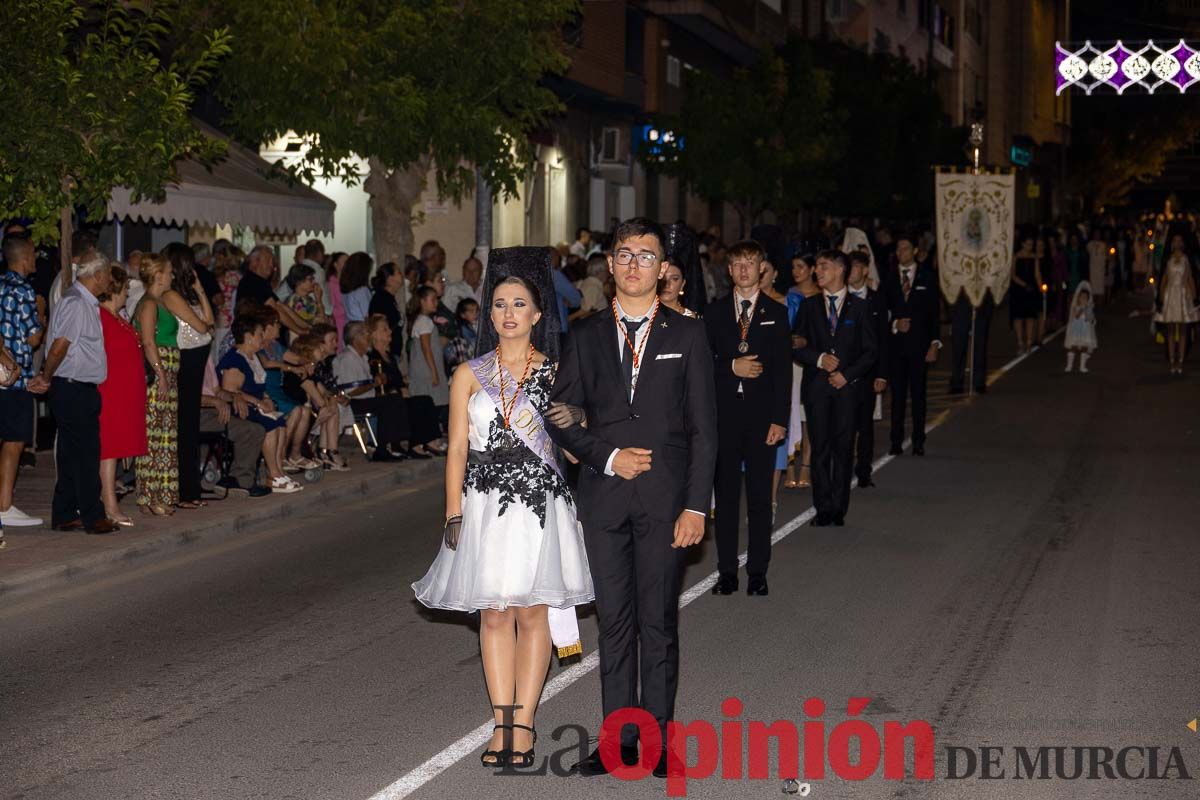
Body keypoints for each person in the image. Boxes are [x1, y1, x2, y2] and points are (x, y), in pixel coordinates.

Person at [547, 218, 717, 778]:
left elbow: (704, 429)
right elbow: (561, 416)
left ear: (663, 268)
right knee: (615, 624)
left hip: (668, 504)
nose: (634, 265)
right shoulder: (586, 333)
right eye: (624, 255)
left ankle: (661, 743)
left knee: (658, 624)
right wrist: (606, 456)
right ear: (610, 264)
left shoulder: (687, 334)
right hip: (603, 499)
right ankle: (617, 743)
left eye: (645, 256)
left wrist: (697, 506)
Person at [414, 262, 593, 769]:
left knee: (532, 612)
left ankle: (526, 722)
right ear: (489, 315)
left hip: (540, 504)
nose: (509, 312)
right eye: (499, 304)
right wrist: (454, 513)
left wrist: (578, 419)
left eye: (519, 304)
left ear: (538, 314)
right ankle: (501, 722)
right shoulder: (469, 375)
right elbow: (454, 451)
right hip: (486, 504)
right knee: (493, 615)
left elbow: (577, 450)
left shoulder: (557, 374)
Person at [704, 240, 790, 597]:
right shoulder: (713, 312)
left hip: (761, 418)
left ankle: (757, 572)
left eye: (750, 263)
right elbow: (701, 365)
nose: (743, 269)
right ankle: (726, 573)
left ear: (762, 269)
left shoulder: (776, 311)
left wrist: (779, 420)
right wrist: (731, 367)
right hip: (723, 417)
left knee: (758, 499)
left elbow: (783, 371)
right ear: (729, 269)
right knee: (725, 500)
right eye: (737, 263)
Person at [28, 252, 119, 534]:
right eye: (107, 274)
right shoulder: (77, 303)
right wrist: (45, 376)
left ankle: (65, 513)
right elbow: (59, 345)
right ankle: (93, 516)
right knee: (86, 453)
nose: (110, 280)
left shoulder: (83, 303)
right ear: (98, 275)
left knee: (70, 454)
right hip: (73, 388)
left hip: (75, 387)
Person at [792, 250, 878, 527]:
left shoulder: (860, 308)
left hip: (847, 389)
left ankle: (839, 508)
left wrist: (847, 375)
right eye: (816, 266)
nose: (817, 271)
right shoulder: (810, 306)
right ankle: (823, 507)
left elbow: (870, 351)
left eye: (823, 266)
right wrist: (818, 359)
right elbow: (796, 344)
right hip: (817, 388)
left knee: (842, 448)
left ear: (840, 270)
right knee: (820, 449)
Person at [218, 312, 302, 493]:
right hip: (238, 408)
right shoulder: (234, 359)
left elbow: (258, 388)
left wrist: (265, 399)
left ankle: (278, 472)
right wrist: (258, 402)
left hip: (254, 405)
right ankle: (273, 474)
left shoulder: (252, 358)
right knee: (270, 424)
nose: (262, 338)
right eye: (259, 334)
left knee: (280, 423)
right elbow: (230, 392)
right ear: (248, 337)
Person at [164, 242, 216, 511]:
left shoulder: (189, 295)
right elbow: (201, 325)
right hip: (185, 361)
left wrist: (200, 289)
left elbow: (211, 324)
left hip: (196, 359)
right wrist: (206, 326)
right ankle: (185, 491)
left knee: (189, 426)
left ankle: (190, 488)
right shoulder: (170, 294)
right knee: (184, 427)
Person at [0, 235, 45, 527]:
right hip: (15, 378)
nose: (35, 261)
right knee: (15, 441)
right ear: (24, 257)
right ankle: (4, 505)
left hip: (1, 373)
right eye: (32, 255)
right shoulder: (24, 291)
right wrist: (40, 312)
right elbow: (34, 337)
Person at [881, 234, 940, 457]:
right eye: (898, 249)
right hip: (896, 346)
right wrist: (895, 323)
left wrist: (934, 344)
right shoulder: (889, 278)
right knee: (897, 396)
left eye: (905, 248)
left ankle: (918, 440)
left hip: (919, 346)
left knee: (918, 395)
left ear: (915, 250)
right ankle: (896, 440)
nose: (900, 253)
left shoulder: (927, 276)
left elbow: (934, 313)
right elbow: (881, 313)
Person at [96, 267, 147, 526]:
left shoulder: (117, 316)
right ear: (115, 288)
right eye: (126, 287)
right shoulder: (100, 316)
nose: (128, 292)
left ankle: (108, 501)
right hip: (110, 390)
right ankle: (110, 505)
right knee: (109, 449)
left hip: (124, 391)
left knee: (114, 449)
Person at [133, 255, 182, 517]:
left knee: (164, 438)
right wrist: (161, 374)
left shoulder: (159, 302)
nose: (172, 277)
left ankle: (162, 494)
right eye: (169, 272)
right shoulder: (150, 304)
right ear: (158, 275)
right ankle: (149, 496)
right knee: (153, 437)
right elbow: (148, 342)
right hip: (156, 378)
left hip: (166, 377)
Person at [334, 319, 415, 463]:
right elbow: (350, 391)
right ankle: (384, 449)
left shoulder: (362, 357)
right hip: (352, 402)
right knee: (390, 402)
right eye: (365, 334)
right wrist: (374, 383)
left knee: (394, 400)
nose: (369, 337)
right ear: (356, 338)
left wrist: (376, 382)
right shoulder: (347, 358)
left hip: (364, 399)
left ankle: (391, 445)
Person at [364, 316, 442, 458]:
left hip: (399, 395)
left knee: (425, 400)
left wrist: (403, 384)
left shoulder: (389, 356)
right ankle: (414, 445)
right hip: (387, 398)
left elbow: (398, 379)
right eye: (384, 329)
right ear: (373, 334)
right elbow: (380, 381)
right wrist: (399, 388)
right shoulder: (372, 358)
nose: (389, 332)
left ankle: (429, 442)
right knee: (415, 404)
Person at [200, 354, 271, 497]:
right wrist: (214, 401)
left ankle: (235, 480)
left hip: (214, 411)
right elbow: (185, 395)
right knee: (251, 430)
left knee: (255, 428)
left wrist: (234, 397)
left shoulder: (207, 357)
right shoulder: (187, 355)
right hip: (199, 413)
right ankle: (241, 481)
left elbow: (217, 391)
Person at [846, 251, 889, 488]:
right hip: (843, 372)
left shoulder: (876, 300)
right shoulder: (839, 298)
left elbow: (883, 340)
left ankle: (864, 470)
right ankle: (841, 468)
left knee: (865, 425)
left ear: (865, 270)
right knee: (843, 424)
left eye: (855, 267)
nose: (851, 272)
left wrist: (882, 373)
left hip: (867, 372)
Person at [784, 254, 819, 489]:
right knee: (787, 411)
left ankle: (806, 463)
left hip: (809, 362)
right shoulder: (788, 295)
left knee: (807, 415)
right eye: (793, 267)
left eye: (801, 267)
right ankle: (787, 464)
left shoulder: (819, 297)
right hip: (788, 360)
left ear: (812, 269)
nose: (796, 271)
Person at [237, 246, 309, 337]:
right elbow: (275, 308)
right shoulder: (252, 281)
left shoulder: (260, 281)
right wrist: (299, 330)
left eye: (272, 262)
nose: (272, 266)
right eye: (268, 261)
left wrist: (305, 326)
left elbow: (281, 306)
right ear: (255, 262)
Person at [1155, 233, 1198, 374]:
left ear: (1183, 243)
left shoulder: (1186, 259)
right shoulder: (1168, 259)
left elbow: (1190, 278)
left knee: (1184, 330)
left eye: (1180, 240)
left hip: (1182, 296)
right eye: (1175, 240)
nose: (1177, 242)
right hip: (1170, 295)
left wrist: (1194, 297)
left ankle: (1180, 361)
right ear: (1172, 243)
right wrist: (1160, 297)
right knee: (1171, 329)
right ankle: (1172, 361)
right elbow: (1164, 279)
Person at [408, 286, 450, 424]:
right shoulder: (424, 321)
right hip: (426, 369)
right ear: (422, 301)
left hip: (425, 367)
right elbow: (426, 348)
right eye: (432, 300)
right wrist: (434, 372)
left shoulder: (423, 320)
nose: (436, 303)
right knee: (430, 402)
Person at [1009, 234, 1041, 354]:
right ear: (1022, 244)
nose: (1030, 246)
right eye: (1028, 244)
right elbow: (1013, 275)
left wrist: (1040, 287)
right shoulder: (1016, 257)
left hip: (1031, 289)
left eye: (1031, 244)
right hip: (1019, 289)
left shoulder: (1034, 257)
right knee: (1018, 317)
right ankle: (1020, 343)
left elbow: (1037, 274)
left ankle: (1028, 342)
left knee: (1030, 317)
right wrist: (1024, 285)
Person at [1064, 281, 1098, 373]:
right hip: (1076, 330)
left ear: (1088, 299)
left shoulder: (1089, 308)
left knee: (1084, 347)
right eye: (1081, 297)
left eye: (1085, 298)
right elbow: (1076, 316)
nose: (1083, 299)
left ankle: (1082, 366)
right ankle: (1069, 365)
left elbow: (1090, 318)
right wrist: (1082, 308)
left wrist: (1091, 318)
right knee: (1073, 347)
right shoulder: (1076, 307)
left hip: (1085, 331)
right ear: (1078, 298)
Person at [285, 262, 327, 327]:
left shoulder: (309, 299)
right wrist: (319, 300)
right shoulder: (295, 301)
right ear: (299, 281)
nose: (314, 282)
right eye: (310, 279)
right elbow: (319, 323)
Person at [445, 297, 480, 372]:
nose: (475, 314)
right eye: (471, 311)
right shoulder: (460, 333)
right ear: (462, 315)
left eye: (476, 311)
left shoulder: (472, 328)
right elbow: (461, 359)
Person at [340, 251, 374, 324]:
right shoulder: (362, 291)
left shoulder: (345, 289)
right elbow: (367, 315)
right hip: (361, 329)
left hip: (350, 328)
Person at [574, 254, 609, 319]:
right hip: (594, 325)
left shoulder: (592, 283)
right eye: (606, 271)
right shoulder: (592, 286)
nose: (608, 274)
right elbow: (586, 309)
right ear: (600, 272)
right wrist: (568, 319)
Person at [326, 251, 348, 348]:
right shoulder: (331, 283)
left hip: (347, 321)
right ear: (335, 264)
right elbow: (331, 306)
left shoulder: (348, 282)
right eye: (344, 261)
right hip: (338, 322)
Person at [1086, 229, 1109, 306]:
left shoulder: (1103, 244)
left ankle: (1100, 304)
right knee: (1093, 287)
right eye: (1095, 234)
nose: (1097, 236)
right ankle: (1093, 304)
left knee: (1100, 287)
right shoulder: (1089, 244)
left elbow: (1106, 256)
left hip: (1100, 269)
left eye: (1098, 234)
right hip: (1093, 269)